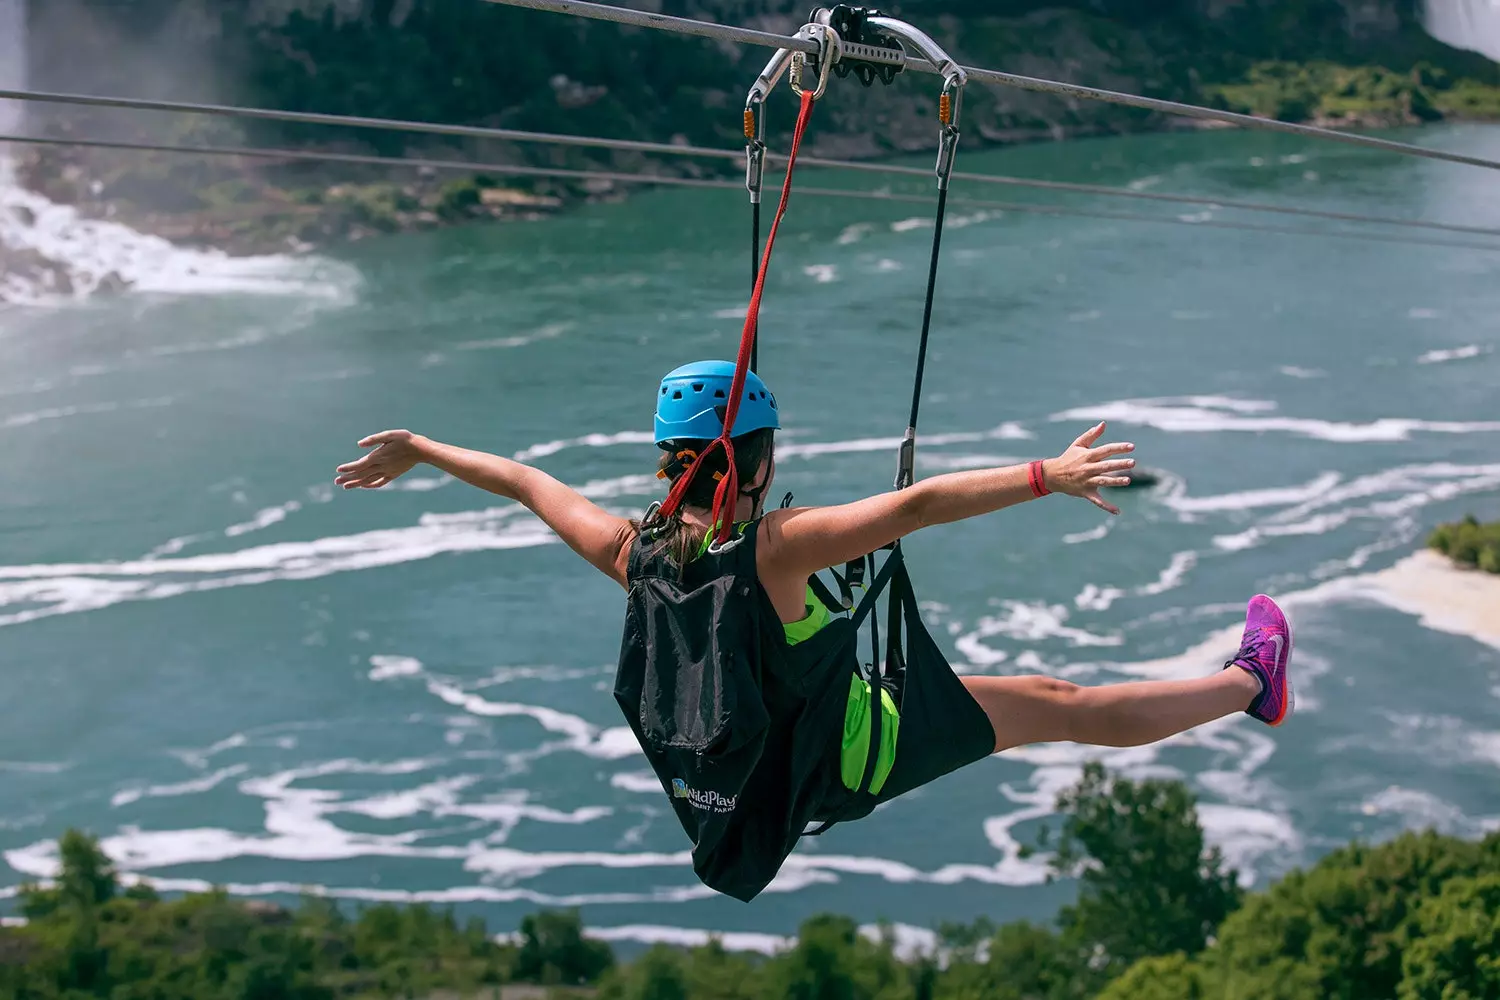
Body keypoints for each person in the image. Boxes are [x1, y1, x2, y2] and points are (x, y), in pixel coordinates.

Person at [334, 359, 1293, 901]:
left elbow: (527, 480)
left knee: (1052, 704)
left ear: (673, 464)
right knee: (1062, 705)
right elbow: (916, 506)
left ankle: (1248, 683)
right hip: (847, 750)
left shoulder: (636, 551)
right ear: (753, 461)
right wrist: (1048, 474)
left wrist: (420, 449)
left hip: (770, 760)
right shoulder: (778, 547)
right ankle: (1254, 681)